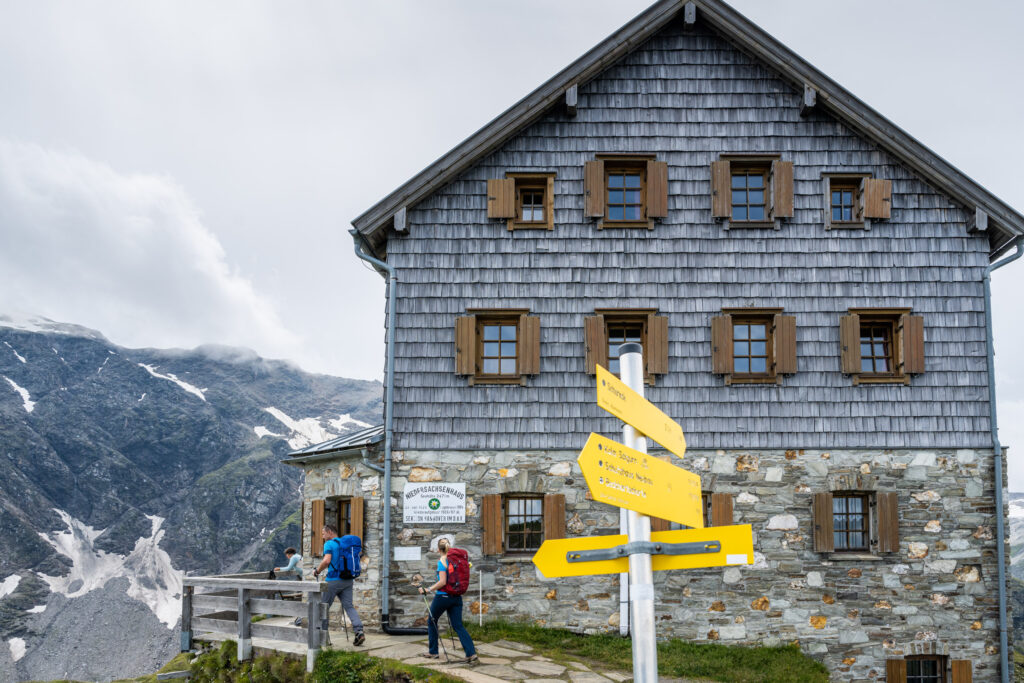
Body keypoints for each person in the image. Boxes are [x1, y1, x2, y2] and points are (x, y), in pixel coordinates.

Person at [418, 538, 477, 663]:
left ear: (439, 549)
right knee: (458, 626)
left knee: (431, 621)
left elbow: (442, 582)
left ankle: (433, 652)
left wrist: (428, 589)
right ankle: (471, 653)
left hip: (443, 597)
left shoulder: (442, 561)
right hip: (456, 597)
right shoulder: (457, 560)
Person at [313, 524, 365, 646]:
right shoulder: (345, 544)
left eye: (323, 533)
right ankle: (359, 631)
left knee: (324, 607)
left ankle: (323, 638)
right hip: (347, 580)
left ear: (330, 532)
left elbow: (327, 561)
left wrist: (317, 571)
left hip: (333, 580)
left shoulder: (329, 544)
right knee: (349, 606)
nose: (322, 536)